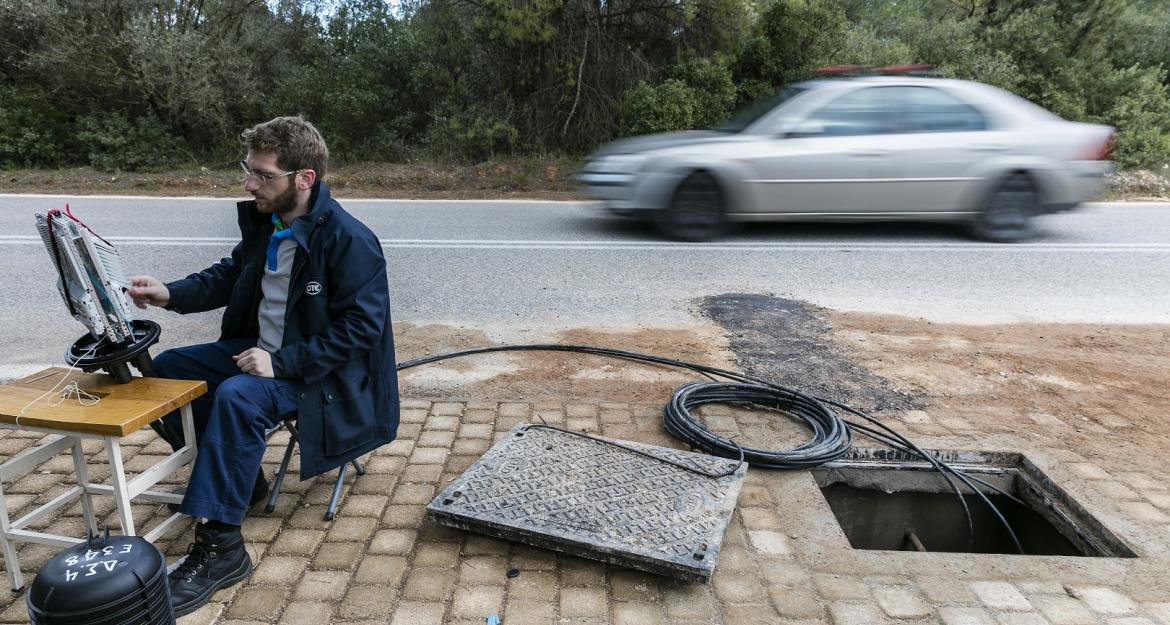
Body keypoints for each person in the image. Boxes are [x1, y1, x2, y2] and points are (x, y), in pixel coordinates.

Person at [128, 116, 399, 617]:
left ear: (304, 178)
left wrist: (283, 361)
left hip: (318, 375)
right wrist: (169, 294)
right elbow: (229, 275)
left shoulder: (349, 240)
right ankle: (241, 479)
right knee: (165, 370)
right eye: (247, 171)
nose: (250, 184)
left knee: (238, 394)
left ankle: (222, 550)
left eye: (262, 174)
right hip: (260, 351)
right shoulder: (269, 223)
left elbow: (363, 329)